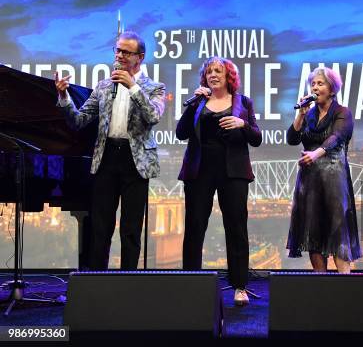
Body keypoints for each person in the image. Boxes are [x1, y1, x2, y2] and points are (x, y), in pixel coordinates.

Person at [55, 31, 166, 270]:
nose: (120, 55)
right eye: (118, 50)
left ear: (140, 57)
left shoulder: (154, 87)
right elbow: (80, 120)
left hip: (135, 161)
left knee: (130, 228)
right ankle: (98, 281)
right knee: (100, 226)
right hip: (106, 158)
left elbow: (153, 116)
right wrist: (64, 97)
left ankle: (128, 282)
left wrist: (133, 87)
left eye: (126, 52)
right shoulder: (104, 86)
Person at [176, 56, 261, 306]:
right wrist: (192, 106)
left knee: (236, 228)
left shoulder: (243, 102)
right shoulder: (199, 102)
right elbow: (181, 133)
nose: (213, 75)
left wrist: (242, 123)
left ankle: (240, 286)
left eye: (218, 71)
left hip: (232, 171)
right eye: (209, 71)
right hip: (199, 170)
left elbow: (256, 138)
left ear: (228, 76)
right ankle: (191, 281)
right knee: (195, 226)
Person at [286, 67, 362, 273]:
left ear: (332, 89)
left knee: (337, 231)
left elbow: (336, 137)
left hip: (333, 178)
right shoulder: (309, 114)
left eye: (320, 84)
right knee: (313, 233)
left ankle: (344, 288)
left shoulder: (342, 113)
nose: (315, 87)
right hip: (310, 180)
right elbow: (292, 139)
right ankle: (321, 284)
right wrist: (300, 115)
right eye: (313, 84)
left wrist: (315, 154)